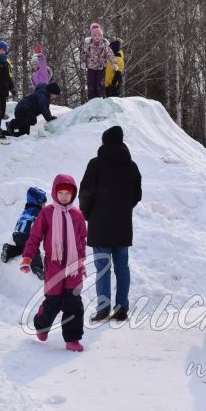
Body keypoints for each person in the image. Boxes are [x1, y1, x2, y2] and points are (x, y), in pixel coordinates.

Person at [78, 125, 142, 322]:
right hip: (123, 225)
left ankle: (103, 309)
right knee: (122, 267)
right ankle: (122, 309)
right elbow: (137, 195)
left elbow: (85, 193)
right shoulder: (131, 166)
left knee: (102, 268)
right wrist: (124, 208)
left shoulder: (96, 164)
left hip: (100, 225)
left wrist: (89, 214)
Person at [19, 174, 87, 352]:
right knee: (54, 301)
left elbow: (82, 240)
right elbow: (35, 237)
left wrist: (82, 262)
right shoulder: (46, 213)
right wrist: (27, 257)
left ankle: (72, 339)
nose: (64, 196)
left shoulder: (77, 215)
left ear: (73, 194)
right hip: (54, 264)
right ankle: (41, 326)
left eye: (68, 193)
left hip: (74, 266)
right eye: (61, 192)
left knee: (73, 302)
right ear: (55, 193)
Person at [0, 187, 48, 279]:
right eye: (43, 203)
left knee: (22, 248)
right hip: (27, 235)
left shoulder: (25, 211)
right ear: (37, 203)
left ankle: (9, 250)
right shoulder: (38, 212)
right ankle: (37, 268)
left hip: (17, 235)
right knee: (33, 249)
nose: (44, 205)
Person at [81, 23, 118, 101]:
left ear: (101, 36)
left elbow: (110, 54)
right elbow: (83, 53)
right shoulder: (88, 45)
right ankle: (91, 101)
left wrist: (114, 63)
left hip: (101, 68)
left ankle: (101, 100)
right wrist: (83, 62)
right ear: (92, 36)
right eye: (95, 35)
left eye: (99, 35)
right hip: (91, 68)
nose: (97, 37)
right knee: (91, 85)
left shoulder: (104, 45)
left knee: (100, 86)